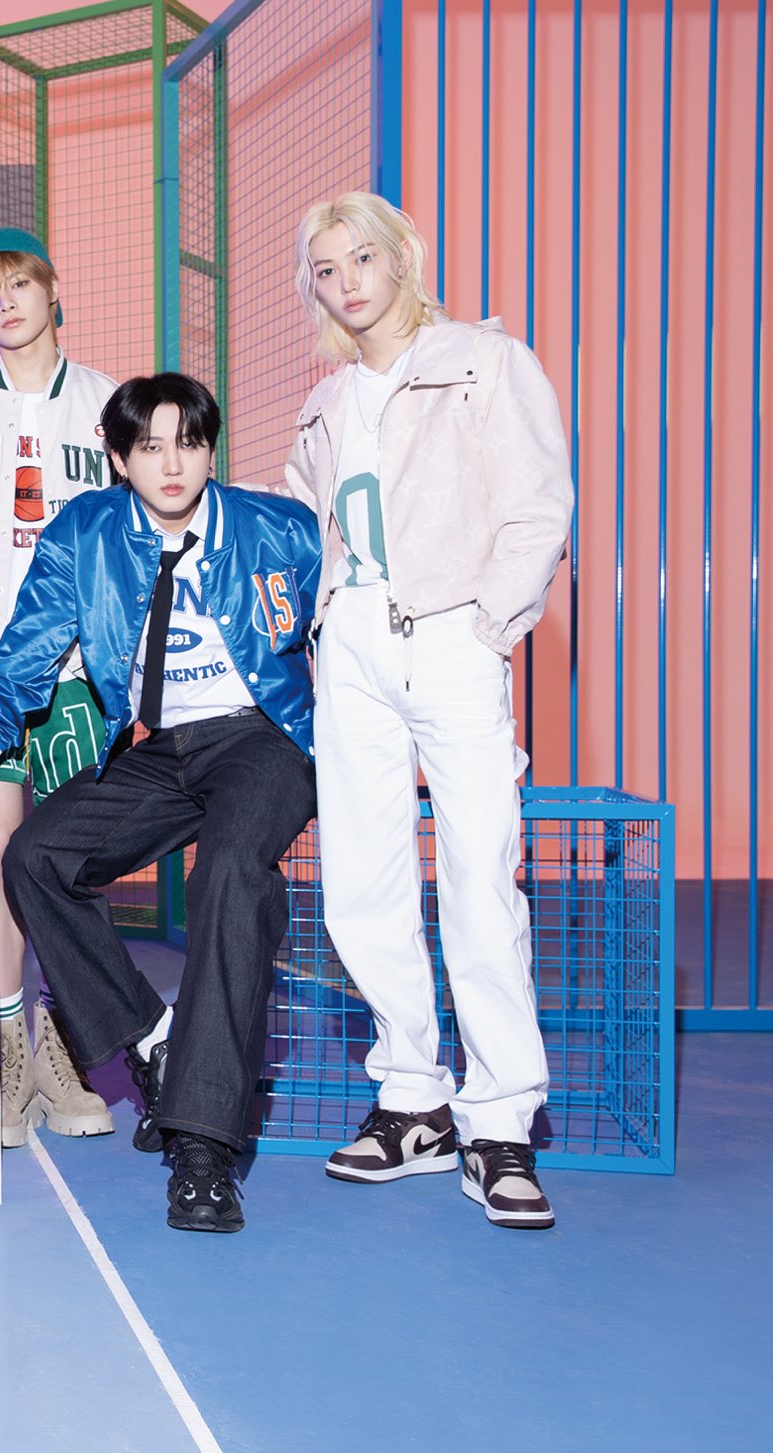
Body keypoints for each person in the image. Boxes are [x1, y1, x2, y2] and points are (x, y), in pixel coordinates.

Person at [0, 373, 320, 1234]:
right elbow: (23, 654)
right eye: (150, 446)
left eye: (189, 442)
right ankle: (154, 1040)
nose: (172, 463)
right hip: (163, 745)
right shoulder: (87, 532)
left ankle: (203, 1145)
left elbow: (343, 632)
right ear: (118, 458)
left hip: (263, 735)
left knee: (231, 870)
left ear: (211, 450)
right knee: (36, 856)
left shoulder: (281, 529)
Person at [286, 191, 573, 1229]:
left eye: (362, 257)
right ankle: (413, 1099)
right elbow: (304, 529)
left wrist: (488, 625)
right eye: (326, 269)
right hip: (351, 645)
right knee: (361, 880)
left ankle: (499, 1119)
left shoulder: (484, 361)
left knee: (478, 879)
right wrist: (318, 630)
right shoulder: (325, 402)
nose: (347, 282)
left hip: (451, 633)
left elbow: (537, 501)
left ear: (403, 257)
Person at [0, 227, 121, 1148]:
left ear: (52, 289)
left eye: (18, 286)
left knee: (69, 859)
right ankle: (9, 1047)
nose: (3, 305)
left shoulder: (106, 403)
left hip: (78, 666)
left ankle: (64, 1043)